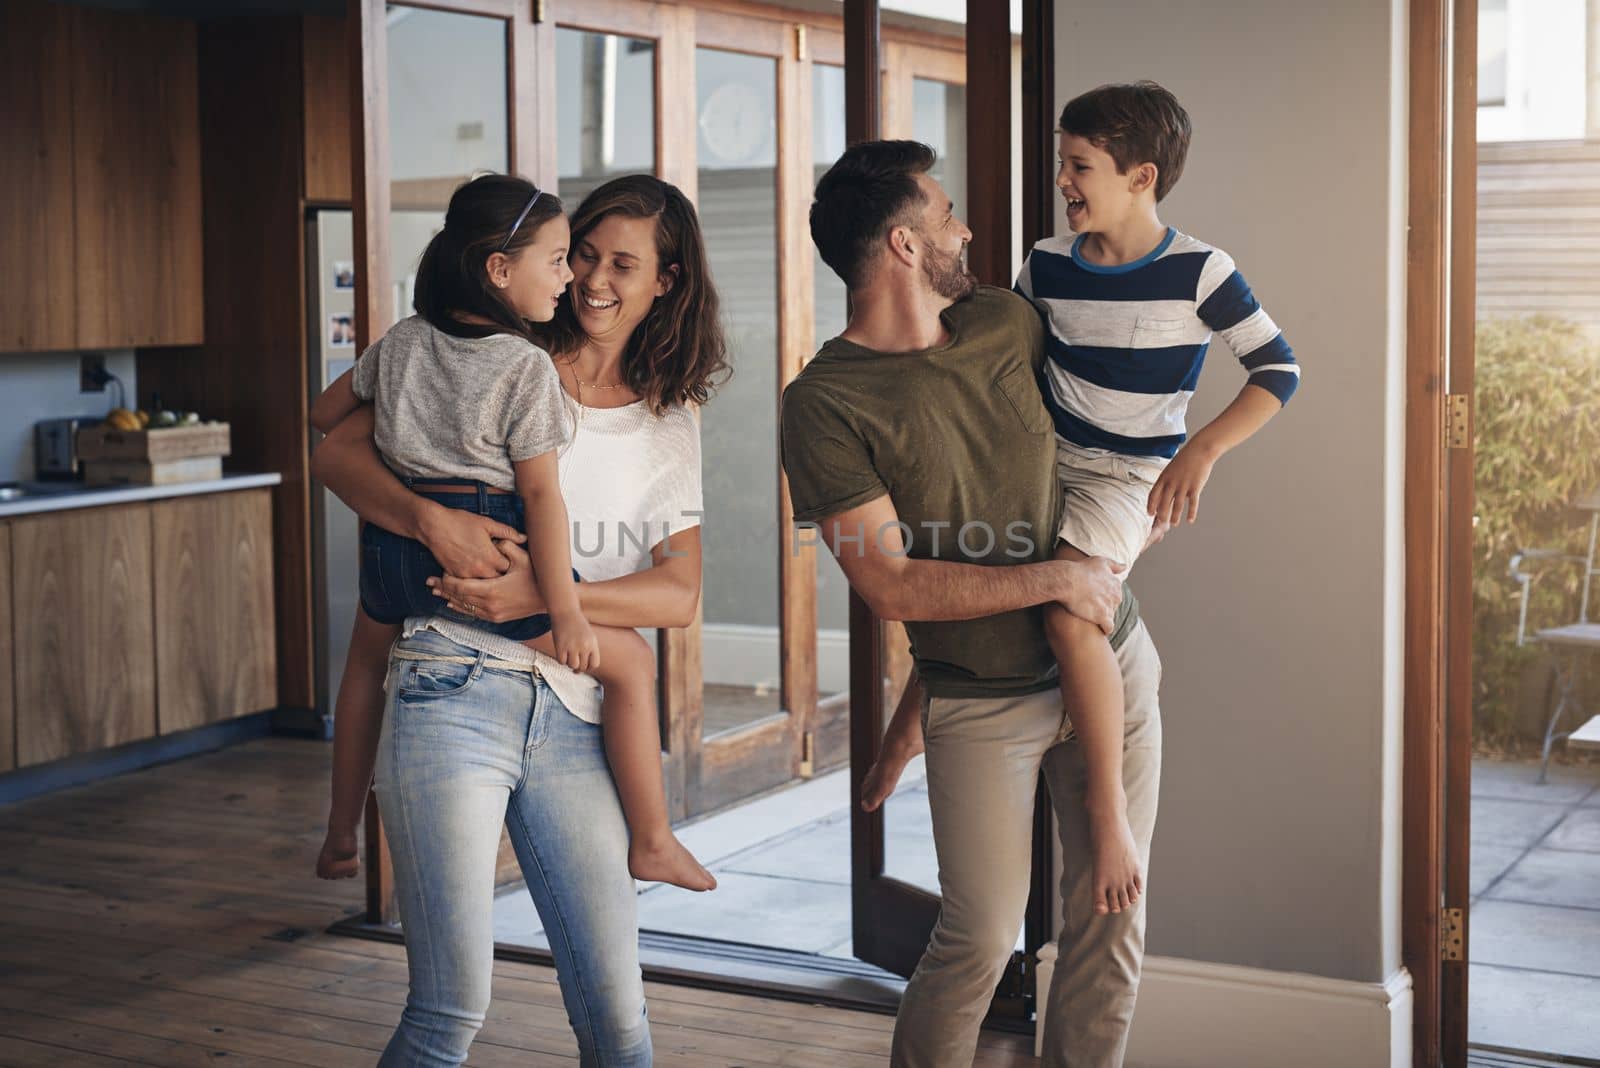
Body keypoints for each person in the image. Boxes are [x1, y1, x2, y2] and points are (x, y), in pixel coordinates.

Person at [312, 173, 728, 1066]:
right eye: (581, 255)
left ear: (668, 283)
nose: (592, 280)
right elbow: (334, 445)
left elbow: (679, 595)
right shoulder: (494, 350)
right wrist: (431, 521)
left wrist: (542, 594)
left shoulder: (668, 416)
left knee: (620, 1023)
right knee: (449, 1011)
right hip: (453, 685)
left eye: (623, 263)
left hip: (579, 713)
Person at [872, 81, 1302, 922]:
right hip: (1044, 454)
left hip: (1127, 478)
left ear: (1141, 177)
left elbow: (1279, 371)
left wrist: (1203, 453)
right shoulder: (1049, 262)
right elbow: (1012, 356)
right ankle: (907, 727)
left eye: (1080, 166)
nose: (1063, 180)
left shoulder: (1200, 270)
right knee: (969, 568)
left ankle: (1107, 819)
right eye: (1062, 163)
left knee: (1071, 615)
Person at [781, 140, 1160, 1067]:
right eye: (948, 214)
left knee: (1111, 919)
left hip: (1111, 664)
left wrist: (1173, 475)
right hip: (983, 700)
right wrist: (1055, 584)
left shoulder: (1004, 321)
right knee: (981, 938)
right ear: (907, 245)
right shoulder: (825, 404)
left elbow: (1114, 420)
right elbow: (894, 583)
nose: (969, 229)